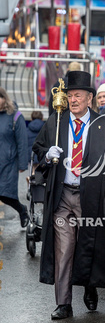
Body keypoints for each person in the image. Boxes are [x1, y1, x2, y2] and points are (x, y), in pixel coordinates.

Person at [33, 71, 105, 319]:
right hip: (63, 196)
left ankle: (90, 286)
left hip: (91, 197)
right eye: (70, 95)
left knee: (90, 246)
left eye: (78, 96)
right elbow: (38, 149)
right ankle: (64, 303)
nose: (73, 100)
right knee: (64, 250)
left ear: (90, 98)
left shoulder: (104, 125)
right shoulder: (57, 121)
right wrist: (47, 154)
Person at [0, 88, 29, 228]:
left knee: (5, 194)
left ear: (5, 99)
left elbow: (22, 141)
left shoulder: (15, 116)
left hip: (8, 162)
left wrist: (23, 164)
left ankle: (22, 210)